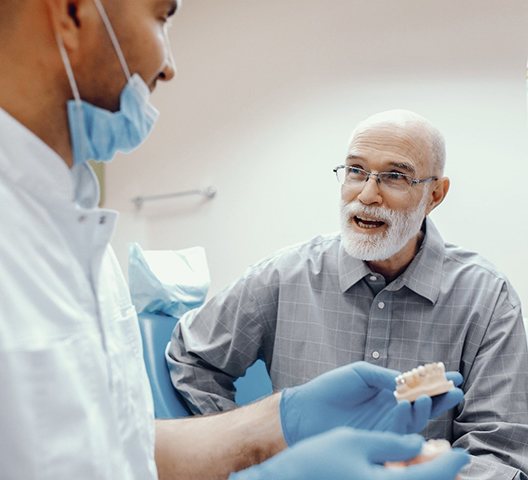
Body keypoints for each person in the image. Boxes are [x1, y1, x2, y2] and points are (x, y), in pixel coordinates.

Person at [0, 0, 469, 479]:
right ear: (72, 11)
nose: (168, 66)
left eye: (394, 175)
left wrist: (277, 423)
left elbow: (122, 451)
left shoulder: (77, 229)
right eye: (161, 16)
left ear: (435, 195)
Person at [167, 109, 528, 479]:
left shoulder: (487, 298)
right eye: (356, 171)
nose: (368, 195)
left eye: (395, 177)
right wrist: (248, 454)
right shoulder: (283, 276)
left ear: (435, 194)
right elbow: (191, 358)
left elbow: (498, 451)